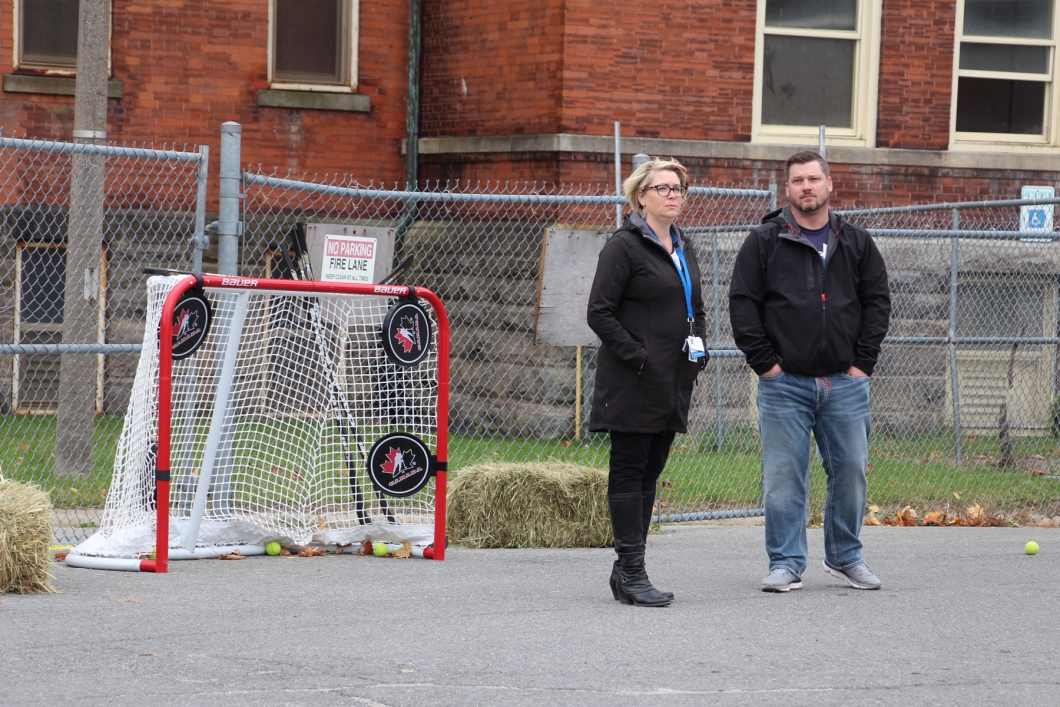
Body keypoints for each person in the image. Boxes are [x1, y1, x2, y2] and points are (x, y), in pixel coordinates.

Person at [729, 151, 891, 593]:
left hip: (845, 382)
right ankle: (785, 562)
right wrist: (767, 365)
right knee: (784, 477)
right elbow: (743, 304)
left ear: (829, 185)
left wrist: (862, 364)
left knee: (852, 471)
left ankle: (845, 557)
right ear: (788, 189)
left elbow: (877, 302)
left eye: (814, 179)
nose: (807, 186)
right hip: (785, 385)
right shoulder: (764, 240)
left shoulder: (855, 241)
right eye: (798, 180)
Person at [587, 158, 708, 607]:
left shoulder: (683, 244)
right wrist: (638, 355)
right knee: (629, 469)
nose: (673, 195)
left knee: (650, 472)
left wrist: (698, 349)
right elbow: (599, 311)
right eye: (663, 188)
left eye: (678, 188)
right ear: (641, 196)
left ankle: (625, 572)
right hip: (633, 380)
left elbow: (695, 304)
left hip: (672, 380)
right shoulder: (624, 246)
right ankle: (633, 570)